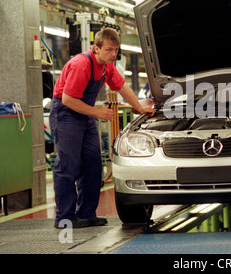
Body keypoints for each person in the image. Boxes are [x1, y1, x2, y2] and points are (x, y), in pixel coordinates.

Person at [49, 28, 154, 228]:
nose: (114, 54)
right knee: (68, 166)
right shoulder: (81, 64)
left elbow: (122, 87)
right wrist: (96, 112)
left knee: (92, 164)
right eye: (109, 50)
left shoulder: (107, 67)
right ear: (95, 48)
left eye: (116, 50)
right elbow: (68, 99)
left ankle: (87, 213)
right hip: (66, 113)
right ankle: (64, 218)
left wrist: (139, 108)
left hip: (85, 114)